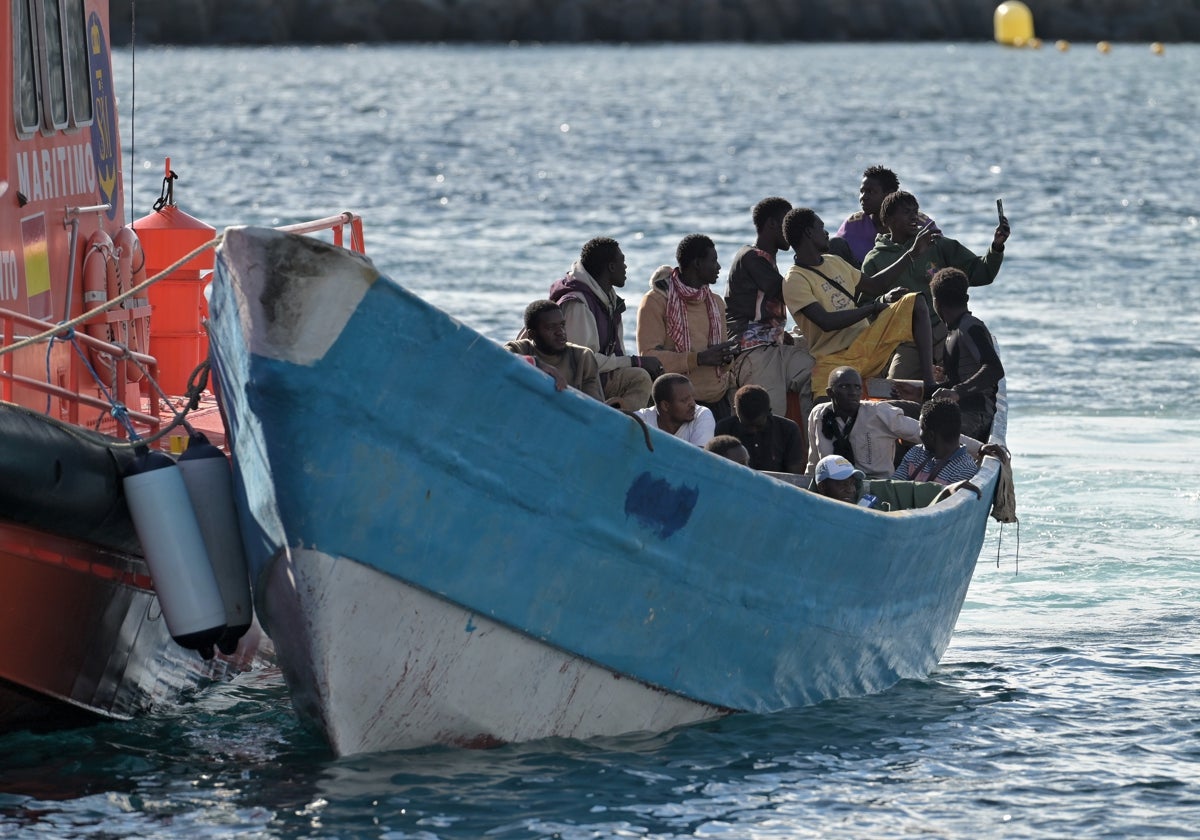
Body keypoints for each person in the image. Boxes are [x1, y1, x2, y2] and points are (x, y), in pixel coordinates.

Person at [780, 207, 940, 401]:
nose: (826, 233)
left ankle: (930, 384)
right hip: (834, 359)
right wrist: (871, 308)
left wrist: (912, 254)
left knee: (915, 301)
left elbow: (875, 285)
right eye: (821, 227)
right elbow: (825, 322)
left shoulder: (834, 261)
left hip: (867, 344)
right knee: (823, 405)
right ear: (808, 233)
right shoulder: (795, 279)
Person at [861, 190, 1009, 381]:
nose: (914, 216)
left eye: (916, 211)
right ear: (888, 220)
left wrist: (996, 246)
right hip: (906, 340)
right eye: (907, 212)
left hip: (944, 331)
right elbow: (864, 307)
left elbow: (981, 273)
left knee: (963, 378)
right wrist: (885, 300)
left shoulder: (936, 244)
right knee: (897, 387)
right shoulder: (875, 259)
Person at [723, 197, 815, 424]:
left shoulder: (767, 259)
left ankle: (810, 452)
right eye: (787, 224)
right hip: (753, 352)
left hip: (774, 348)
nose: (791, 231)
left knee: (817, 375)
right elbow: (787, 293)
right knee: (770, 419)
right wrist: (809, 252)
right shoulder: (751, 257)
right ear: (773, 224)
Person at [548, 237, 661, 411]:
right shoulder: (578, 303)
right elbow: (580, 359)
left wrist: (636, 362)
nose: (626, 267)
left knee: (658, 380)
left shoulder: (608, 298)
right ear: (611, 267)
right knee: (640, 378)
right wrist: (634, 362)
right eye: (622, 261)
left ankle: (631, 422)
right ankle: (618, 427)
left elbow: (616, 353)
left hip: (598, 375)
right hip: (576, 381)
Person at [637, 234, 740, 420]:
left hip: (719, 401)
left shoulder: (716, 302)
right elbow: (648, 358)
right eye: (713, 260)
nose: (718, 267)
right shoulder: (656, 301)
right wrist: (698, 359)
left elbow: (724, 362)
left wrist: (727, 357)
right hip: (677, 409)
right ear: (697, 264)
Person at [930, 267, 1004, 442]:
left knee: (930, 433)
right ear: (966, 298)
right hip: (955, 411)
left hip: (975, 414)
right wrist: (919, 392)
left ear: (936, 302)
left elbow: (994, 369)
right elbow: (960, 380)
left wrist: (957, 392)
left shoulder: (970, 327)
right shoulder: (953, 332)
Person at [829, 166, 940, 269]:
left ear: (890, 194)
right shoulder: (852, 224)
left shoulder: (921, 223)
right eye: (862, 191)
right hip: (865, 281)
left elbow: (942, 254)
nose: (863, 197)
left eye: (871, 192)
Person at [504, 300, 605, 402]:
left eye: (562, 325)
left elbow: (595, 407)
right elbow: (495, 360)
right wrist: (537, 364)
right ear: (532, 334)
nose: (560, 332)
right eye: (551, 327)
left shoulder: (582, 357)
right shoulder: (520, 349)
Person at [714, 384, 806, 474]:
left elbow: (793, 477)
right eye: (746, 425)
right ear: (736, 412)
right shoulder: (724, 429)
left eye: (758, 425)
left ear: (769, 412)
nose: (752, 430)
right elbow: (719, 472)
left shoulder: (789, 430)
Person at [892, 398, 981, 485]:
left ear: (931, 435)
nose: (919, 434)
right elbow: (893, 487)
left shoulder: (964, 470)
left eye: (921, 429)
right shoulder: (915, 452)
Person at [633, 373, 716, 446]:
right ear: (665, 406)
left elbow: (698, 459)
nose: (692, 404)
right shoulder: (641, 419)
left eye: (692, 397)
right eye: (684, 400)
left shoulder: (702, 415)